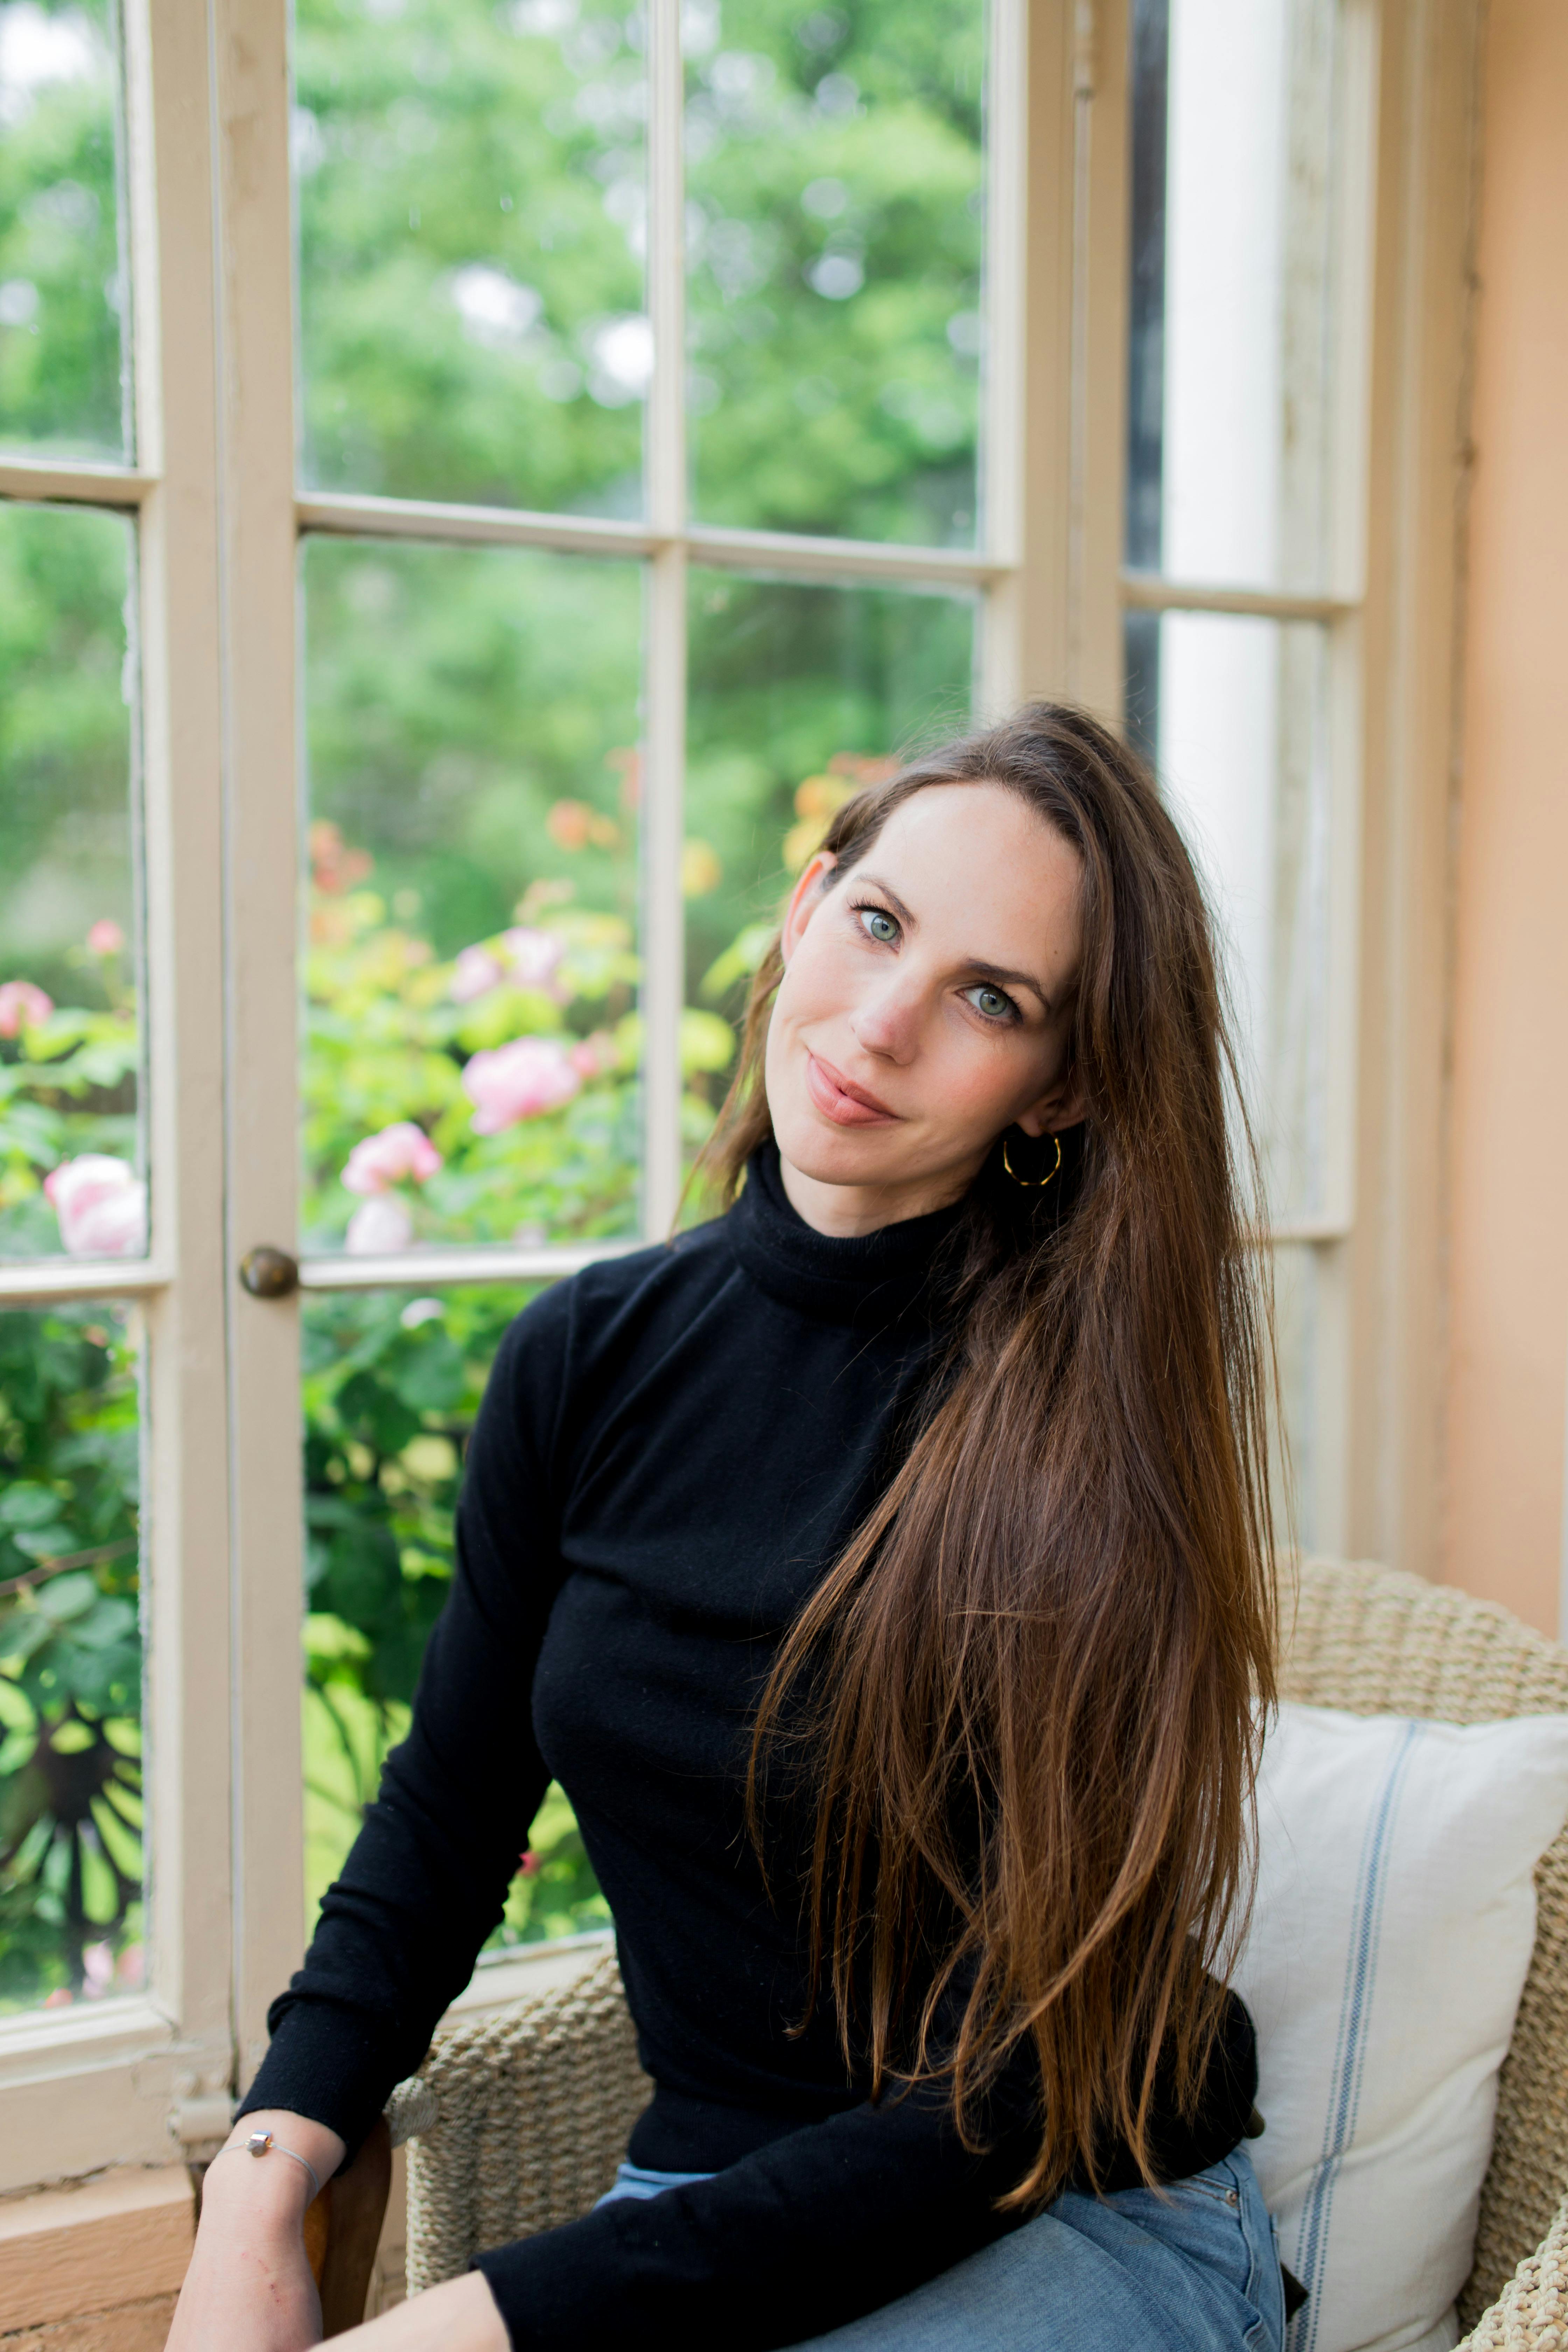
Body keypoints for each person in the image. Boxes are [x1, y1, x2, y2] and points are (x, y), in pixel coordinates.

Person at [167, 703, 1284, 2352]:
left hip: (1070, 2220)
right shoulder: (590, 1356)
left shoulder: (1086, 1445)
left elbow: (998, 2107)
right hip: (713, 2219)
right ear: (803, 909)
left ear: (1057, 1094)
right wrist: (262, 2172)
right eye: (879, 923)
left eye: (990, 997)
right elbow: (447, 1815)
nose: (884, 1021)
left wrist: (492, 2323)